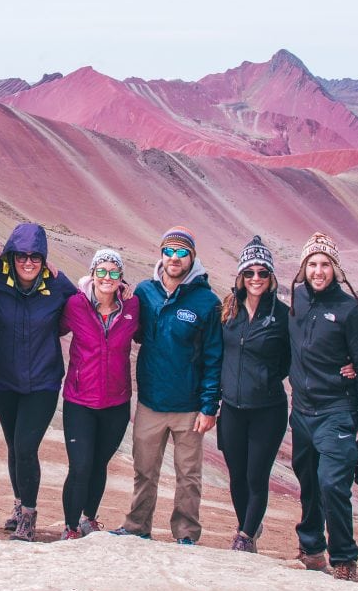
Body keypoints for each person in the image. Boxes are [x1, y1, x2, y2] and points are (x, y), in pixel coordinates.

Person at [114, 226, 222, 545]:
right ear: (161, 255)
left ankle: (186, 534)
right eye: (169, 252)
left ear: (192, 257)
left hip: (189, 408)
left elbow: (214, 357)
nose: (174, 258)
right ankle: (137, 526)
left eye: (181, 253)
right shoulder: (145, 292)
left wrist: (208, 406)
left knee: (188, 477)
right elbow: (126, 324)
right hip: (150, 401)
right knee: (144, 470)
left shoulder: (206, 301)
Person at [288, 232, 358, 581]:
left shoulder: (351, 311)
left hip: (337, 413)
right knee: (308, 482)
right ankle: (311, 549)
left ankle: (343, 557)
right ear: (303, 269)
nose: (318, 271)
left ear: (336, 269)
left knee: (331, 484)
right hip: (302, 413)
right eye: (312, 264)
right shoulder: (296, 301)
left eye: (325, 264)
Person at [0, 223, 77, 541]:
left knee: (26, 447)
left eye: (36, 257)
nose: (28, 262)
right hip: (5, 381)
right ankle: (17, 505)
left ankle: (28, 516)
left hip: (43, 382)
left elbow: (87, 305)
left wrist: (117, 288)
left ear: (43, 259)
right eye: (22, 255)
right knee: (14, 447)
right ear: (11, 256)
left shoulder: (57, 285)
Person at [58, 249, 139, 540]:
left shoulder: (132, 307)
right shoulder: (75, 306)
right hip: (80, 401)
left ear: (121, 278)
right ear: (92, 274)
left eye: (113, 272)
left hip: (116, 402)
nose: (107, 277)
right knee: (80, 465)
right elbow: (52, 327)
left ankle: (89, 518)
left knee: (99, 463)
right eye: (101, 271)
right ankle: (70, 527)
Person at [217, 236, 290, 553]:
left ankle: (245, 537)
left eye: (262, 272)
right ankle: (248, 523)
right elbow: (214, 353)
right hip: (231, 408)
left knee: (256, 475)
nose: (256, 279)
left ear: (271, 276)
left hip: (268, 410)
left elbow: (293, 359)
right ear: (240, 276)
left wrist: (348, 367)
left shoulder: (284, 315)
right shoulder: (227, 311)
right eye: (250, 273)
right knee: (236, 475)